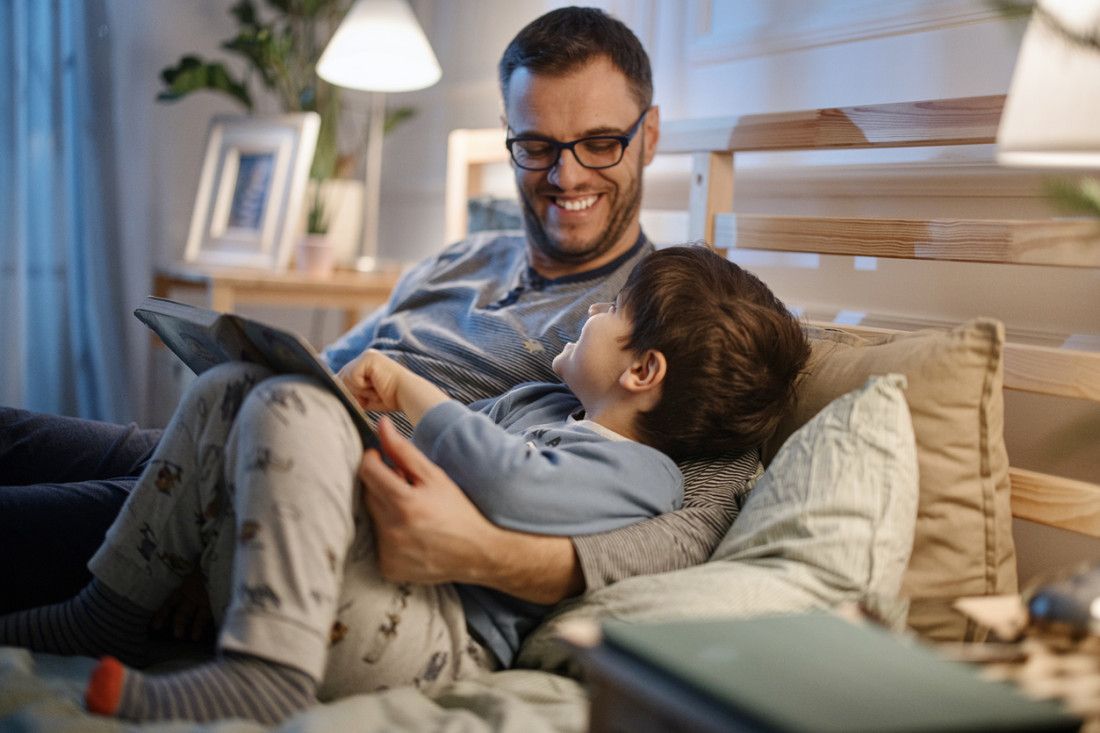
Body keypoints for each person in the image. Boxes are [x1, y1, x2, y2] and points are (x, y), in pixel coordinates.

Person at [0, 6, 757, 632]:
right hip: (240, 440)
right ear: (509, 138)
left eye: (599, 142)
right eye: (535, 146)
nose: (566, 176)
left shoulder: (657, 323)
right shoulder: (459, 256)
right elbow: (329, 362)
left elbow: (696, 523)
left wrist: (482, 553)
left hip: (308, 499)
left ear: (649, 135)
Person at [0, 245, 810, 724]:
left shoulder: (646, 474)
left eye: (610, 310)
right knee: (231, 388)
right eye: (531, 142)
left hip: (429, 633)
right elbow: (462, 436)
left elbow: (510, 488)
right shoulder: (541, 394)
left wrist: (403, 392)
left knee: (286, 402)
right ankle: (108, 610)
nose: (590, 313)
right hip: (333, 522)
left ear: (643, 369)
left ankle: (267, 673)